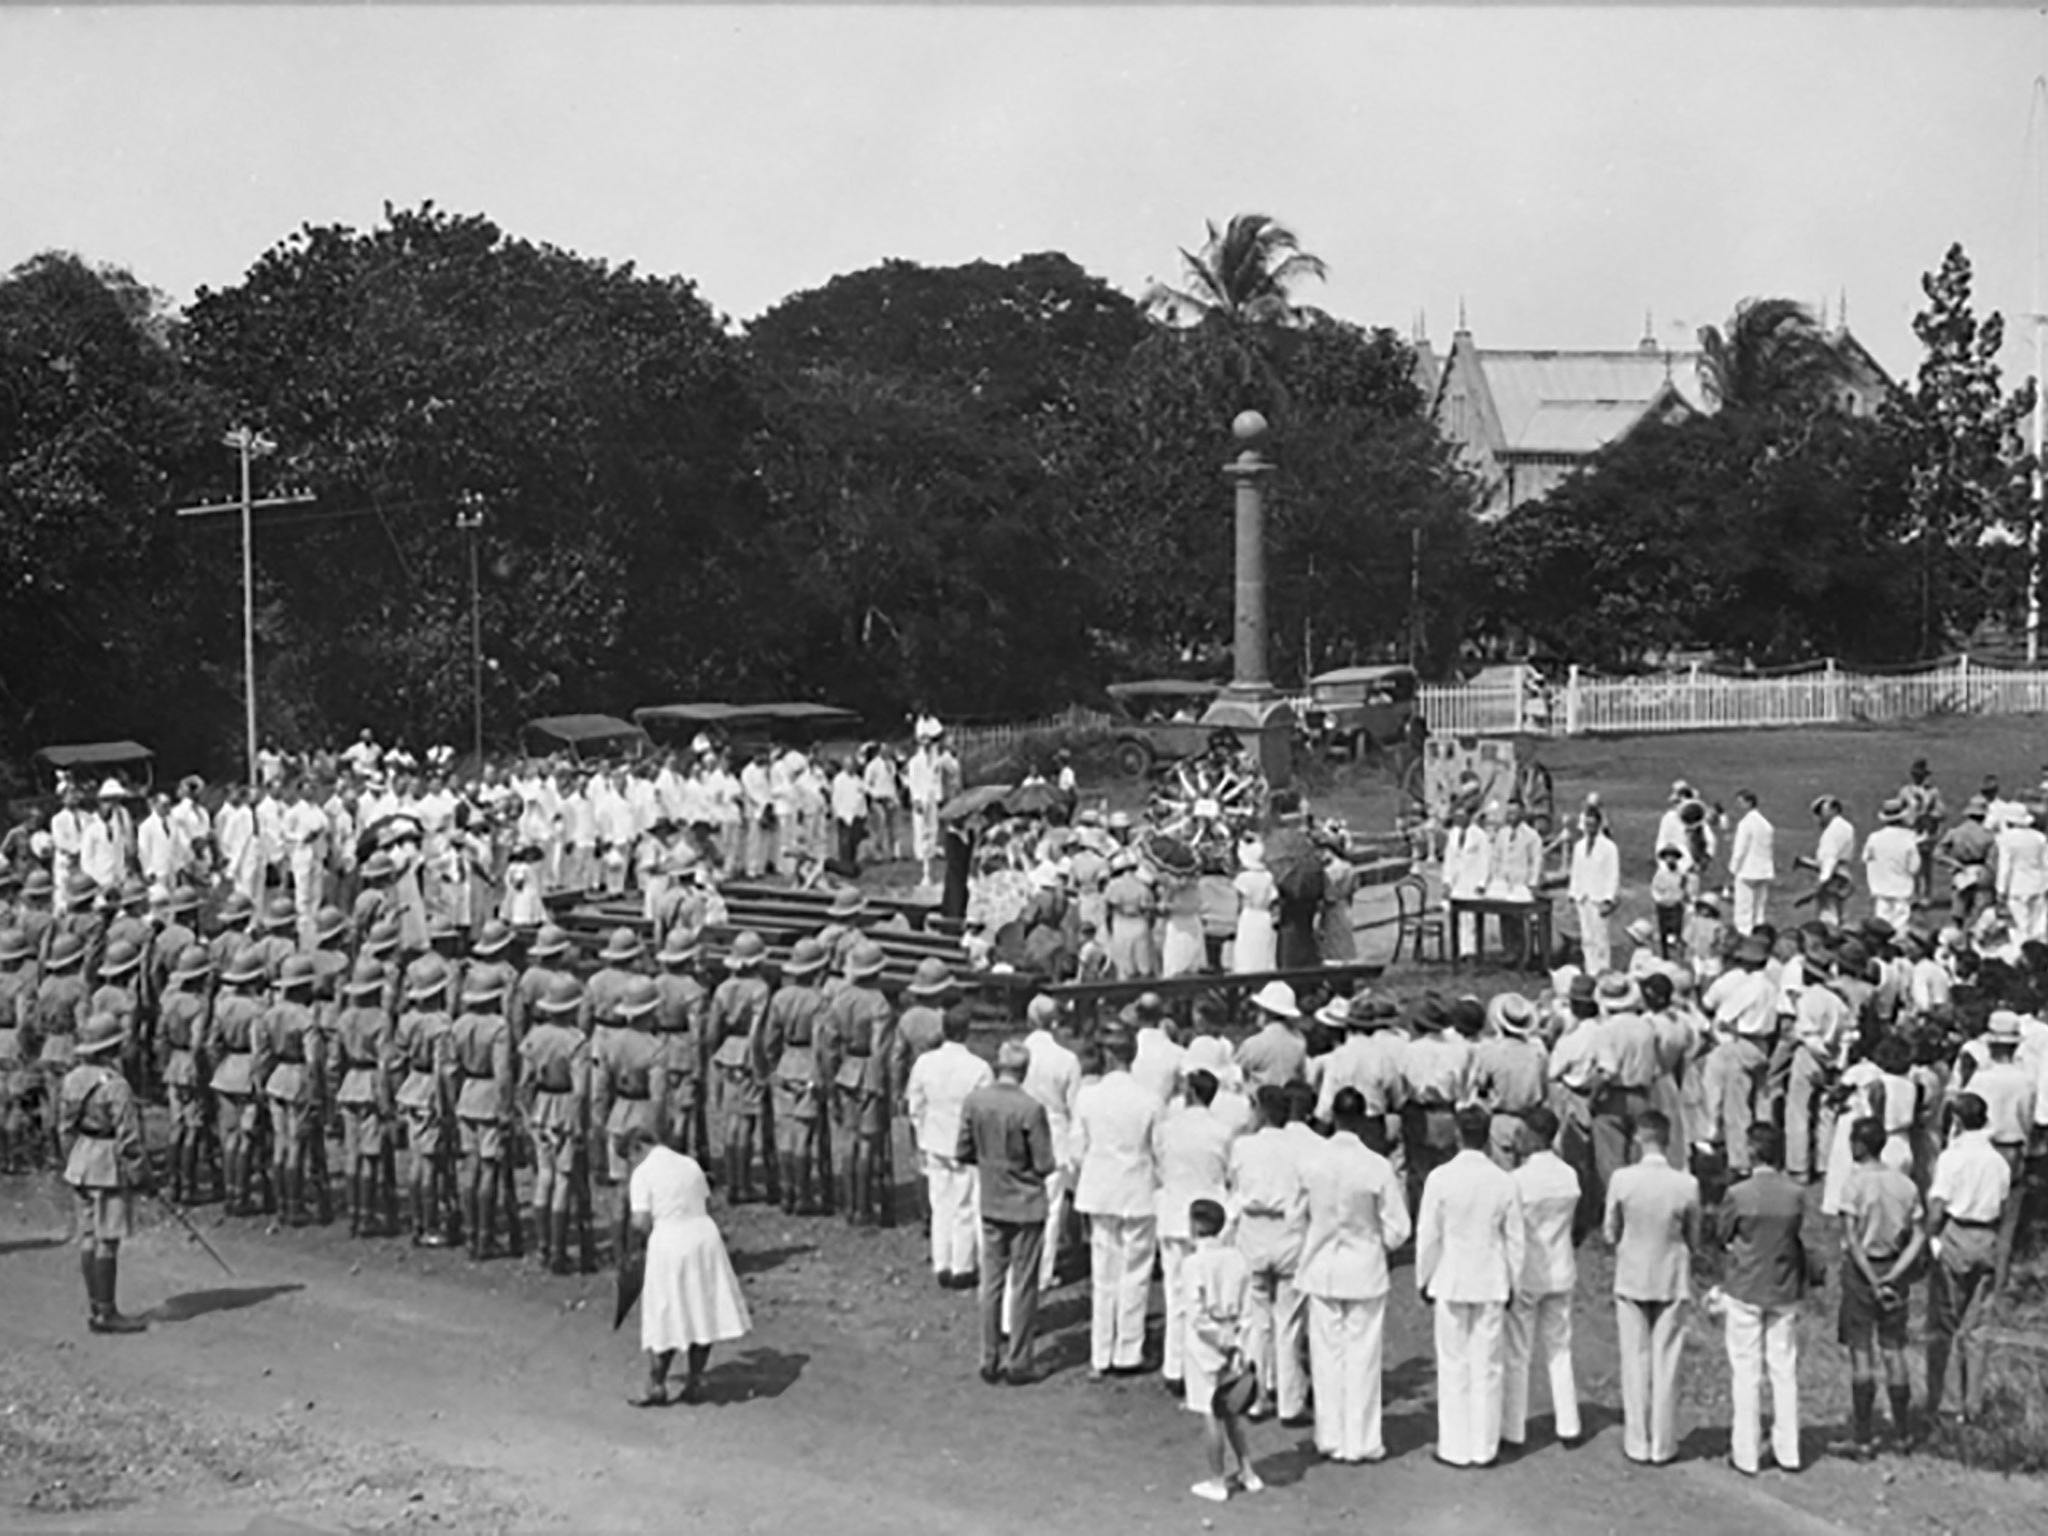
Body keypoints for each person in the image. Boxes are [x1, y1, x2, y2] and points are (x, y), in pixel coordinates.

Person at [1297, 1086, 1410, 1464]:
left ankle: (1329, 1436)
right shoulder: (1376, 1166)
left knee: (1326, 1354)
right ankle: (1360, 1440)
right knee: (1363, 1353)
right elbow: (1398, 1228)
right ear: (1362, 1119)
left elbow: (1297, 1214)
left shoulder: (1312, 1160)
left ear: (1333, 1116)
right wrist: (1375, 1242)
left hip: (1322, 1266)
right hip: (1364, 1267)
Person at [1416, 1104, 1523, 1468]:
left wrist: (1423, 1277)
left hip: (1452, 1276)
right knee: (1489, 1364)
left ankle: (1455, 1446)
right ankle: (1484, 1445)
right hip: (1491, 1278)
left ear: (1459, 1134)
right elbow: (1516, 1241)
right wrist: (1513, 1281)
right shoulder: (1504, 1181)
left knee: (1453, 1363)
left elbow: (1428, 1236)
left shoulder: (1440, 1178)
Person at [622, 1125, 752, 1408]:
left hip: (670, 1240)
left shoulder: (643, 1173)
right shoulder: (690, 1164)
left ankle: (656, 1383)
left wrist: (638, 1242)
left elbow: (641, 1222)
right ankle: (696, 1380)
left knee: (665, 1312)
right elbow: (705, 1201)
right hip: (704, 1236)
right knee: (701, 1309)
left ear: (637, 1149)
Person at [1715, 1124, 1814, 1476]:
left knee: (1746, 1371)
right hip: (1784, 1285)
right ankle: (1789, 1450)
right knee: (1783, 1369)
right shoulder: (1795, 1194)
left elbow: (1722, 1233)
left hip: (1746, 1284)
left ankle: (1745, 1452)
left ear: (1753, 1152)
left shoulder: (1739, 1194)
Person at [956, 1038, 1055, 1385]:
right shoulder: (1031, 1109)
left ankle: (988, 1355)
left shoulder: (976, 1101)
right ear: (1024, 1071)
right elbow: (1044, 1162)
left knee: (991, 1282)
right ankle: (1019, 1359)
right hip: (1025, 1203)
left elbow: (963, 1149)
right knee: (1024, 1285)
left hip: (992, 1199)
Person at [1604, 1109, 1699, 1467]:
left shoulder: (1622, 1180)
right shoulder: (1686, 1184)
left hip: (1632, 1272)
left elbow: (1610, 1229)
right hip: (1671, 1273)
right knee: (1667, 1359)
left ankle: (1637, 1439)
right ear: (1667, 1138)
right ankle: (1663, 1441)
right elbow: (1694, 1234)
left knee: (1634, 1356)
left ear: (1638, 1139)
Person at [1072, 1029, 1160, 1377]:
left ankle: (1101, 1353)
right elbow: (1159, 1148)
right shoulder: (1150, 1099)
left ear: (1108, 1056)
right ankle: (1128, 1351)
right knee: (1135, 1273)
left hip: (1101, 1188)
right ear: (1133, 1056)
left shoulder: (1088, 1098)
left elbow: (1077, 1149)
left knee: (1103, 1271)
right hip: (1137, 1187)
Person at [1836, 1115, 1925, 1455]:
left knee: (1861, 1350)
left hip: (1862, 1272)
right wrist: (1895, 1273)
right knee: (1894, 1348)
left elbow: (1851, 1238)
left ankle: (1862, 1436)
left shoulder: (1854, 1184)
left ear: (1858, 1145)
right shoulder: (1905, 1185)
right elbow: (1919, 1235)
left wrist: (1872, 1280)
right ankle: (1902, 1434)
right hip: (1894, 1267)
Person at [60, 1013, 151, 1333]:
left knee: (88, 1238)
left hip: (81, 1158)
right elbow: (129, 1138)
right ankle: (108, 1313)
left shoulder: (72, 1079)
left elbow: (64, 1127)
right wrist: (141, 1174)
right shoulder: (117, 1086)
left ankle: (96, 1308)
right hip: (107, 1164)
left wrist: (70, 1160)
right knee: (107, 1240)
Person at [1923, 1092, 2010, 1424]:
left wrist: (1931, 1239)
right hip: (1987, 1235)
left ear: (1957, 1122)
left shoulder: (1952, 1158)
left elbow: (1937, 1207)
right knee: (1976, 1329)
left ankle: (1947, 1404)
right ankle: (1973, 1404)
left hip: (1957, 1231)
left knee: (1944, 1323)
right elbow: (2001, 1206)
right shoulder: (1998, 1162)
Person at [1503, 1105, 1582, 1450]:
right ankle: (1569, 1423)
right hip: (1561, 1267)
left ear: (1535, 1136)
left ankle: (1513, 1427)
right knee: (1559, 1347)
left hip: (1528, 1271)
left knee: (1519, 1350)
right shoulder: (1568, 1175)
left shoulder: (1517, 1181)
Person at [1155, 1067, 1235, 1392]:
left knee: (1176, 1293)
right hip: (1211, 1215)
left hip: (1175, 1212)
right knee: (1209, 1295)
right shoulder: (1222, 1131)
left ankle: (1175, 1365)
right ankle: (1204, 1363)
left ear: (1189, 1093)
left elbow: (1160, 1164)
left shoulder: (1168, 1128)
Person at [906, 1003, 993, 1288]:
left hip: (934, 1138)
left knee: (940, 1202)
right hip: (965, 1142)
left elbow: (915, 1103)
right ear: (966, 1032)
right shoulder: (979, 1068)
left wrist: (921, 1134)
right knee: (965, 1204)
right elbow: (984, 1110)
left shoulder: (925, 1063)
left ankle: (941, 1261)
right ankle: (962, 1265)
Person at [1184, 1197, 1262, 1504]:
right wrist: (1239, 1343)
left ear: (1195, 1226)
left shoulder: (1193, 1264)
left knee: (1209, 1411)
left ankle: (1217, 1480)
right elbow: (1247, 1307)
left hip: (1207, 1344)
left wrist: (1221, 1342)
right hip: (1236, 1334)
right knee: (1231, 1409)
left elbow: (1197, 1315)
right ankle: (1248, 1470)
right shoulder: (1238, 1259)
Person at [1567, 807, 1619, 975]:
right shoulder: (1579, 846)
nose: (1589, 827)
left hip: (1599, 896)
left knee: (1600, 938)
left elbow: (1613, 874)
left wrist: (1609, 899)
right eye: (1586, 824)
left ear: (1599, 824)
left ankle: (1603, 970)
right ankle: (1590, 970)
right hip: (1583, 896)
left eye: (1592, 824)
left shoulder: (1609, 847)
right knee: (1587, 937)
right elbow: (1576, 871)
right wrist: (1573, 893)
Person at [1729, 790, 1776, 937]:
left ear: (1749, 803)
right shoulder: (1765, 824)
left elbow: (1740, 849)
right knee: (1759, 906)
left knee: (1743, 906)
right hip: (1764, 869)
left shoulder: (1745, 824)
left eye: (1741, 802)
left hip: (1747, 869)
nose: (1738, 806)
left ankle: (1744, 933)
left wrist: (1733, 867)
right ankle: (1759, 931)